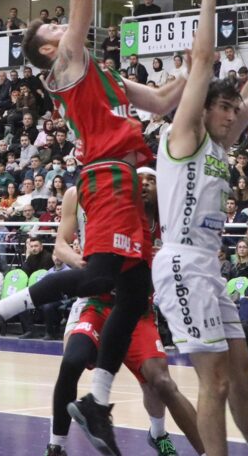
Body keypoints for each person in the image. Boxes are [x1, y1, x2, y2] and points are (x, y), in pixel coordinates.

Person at [0, 0, 188, 456]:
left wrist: (200, 62)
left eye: (60, 25)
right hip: (106, 177)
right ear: (47, 51)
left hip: (129, 180)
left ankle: (97, 401)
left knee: (134, 291)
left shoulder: (103, 74)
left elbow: (162, 101)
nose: (62, 25)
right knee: (99, 278)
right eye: (53, 29)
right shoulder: (68, 64)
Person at [152, 0, 248, 456]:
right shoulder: (185, 135)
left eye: (232, 108)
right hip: (181, 263)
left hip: (208, 265)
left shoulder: (222, 146)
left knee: (242, 374)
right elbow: (203, 64)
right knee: (216, 381)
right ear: (201, 109)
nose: (231, 115)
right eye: (222, 107)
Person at [47, 179, 204, 456]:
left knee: (159, 381)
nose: (144, 184)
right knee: (71, 362)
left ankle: (162, 435)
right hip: (96, 301)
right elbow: (60, 246)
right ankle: (55, 446)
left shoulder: (165, 218)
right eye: (140, 179)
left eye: (150, 180)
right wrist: (81, 262)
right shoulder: (95, 200)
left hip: (136, 309)